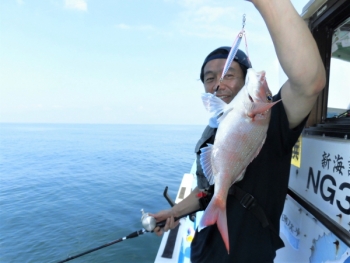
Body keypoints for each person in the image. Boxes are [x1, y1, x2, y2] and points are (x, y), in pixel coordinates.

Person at [151, 0, 326, 262]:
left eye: (228, 75)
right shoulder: (213, 133)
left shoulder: (268, 118)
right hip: (203, 252)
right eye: (210, 78)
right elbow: (208, 192)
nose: (218, 83)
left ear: (246, 82)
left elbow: (309, 82)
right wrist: (174, 211)